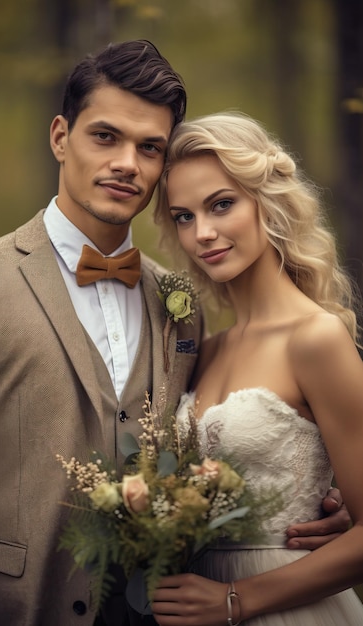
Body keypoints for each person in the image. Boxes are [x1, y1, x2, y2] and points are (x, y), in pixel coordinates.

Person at [0, 40, 349, 626]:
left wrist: (321, 502)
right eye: (105, 136)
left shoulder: (180, 307)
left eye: (149, 148)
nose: (127, 163)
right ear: (61, 137)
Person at [151, 111, 363, 625]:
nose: (203, 233)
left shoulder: (316, 338)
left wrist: (234, 600)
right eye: (183, 216)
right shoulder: (203, 346)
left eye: (221, 205)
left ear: (265, 203)